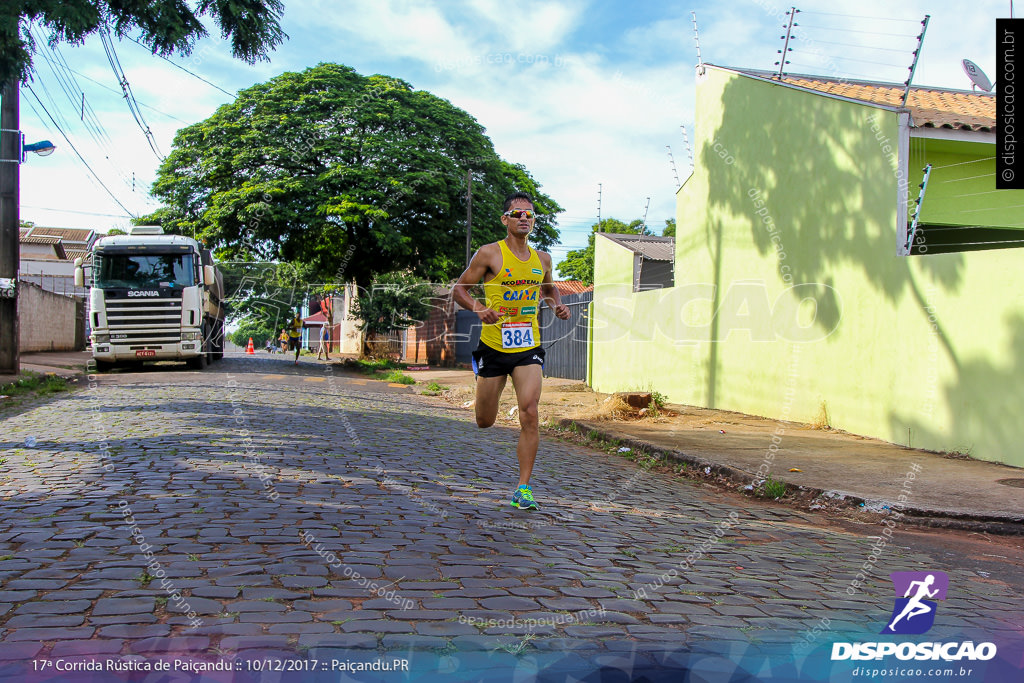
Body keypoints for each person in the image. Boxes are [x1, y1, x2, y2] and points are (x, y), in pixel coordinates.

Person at [452, 191, 570, 510]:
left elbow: (548, 288)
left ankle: (523, 488)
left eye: (529, 215)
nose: (523, 219)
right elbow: (459, 289)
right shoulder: (489, 254)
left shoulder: (542, 259)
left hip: (527, 346)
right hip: (493, 345)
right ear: (506, 219)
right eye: (517, 214)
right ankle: (482, 387)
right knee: (484, 420)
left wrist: (556, 304)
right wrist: (479, 308)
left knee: (530, 411)